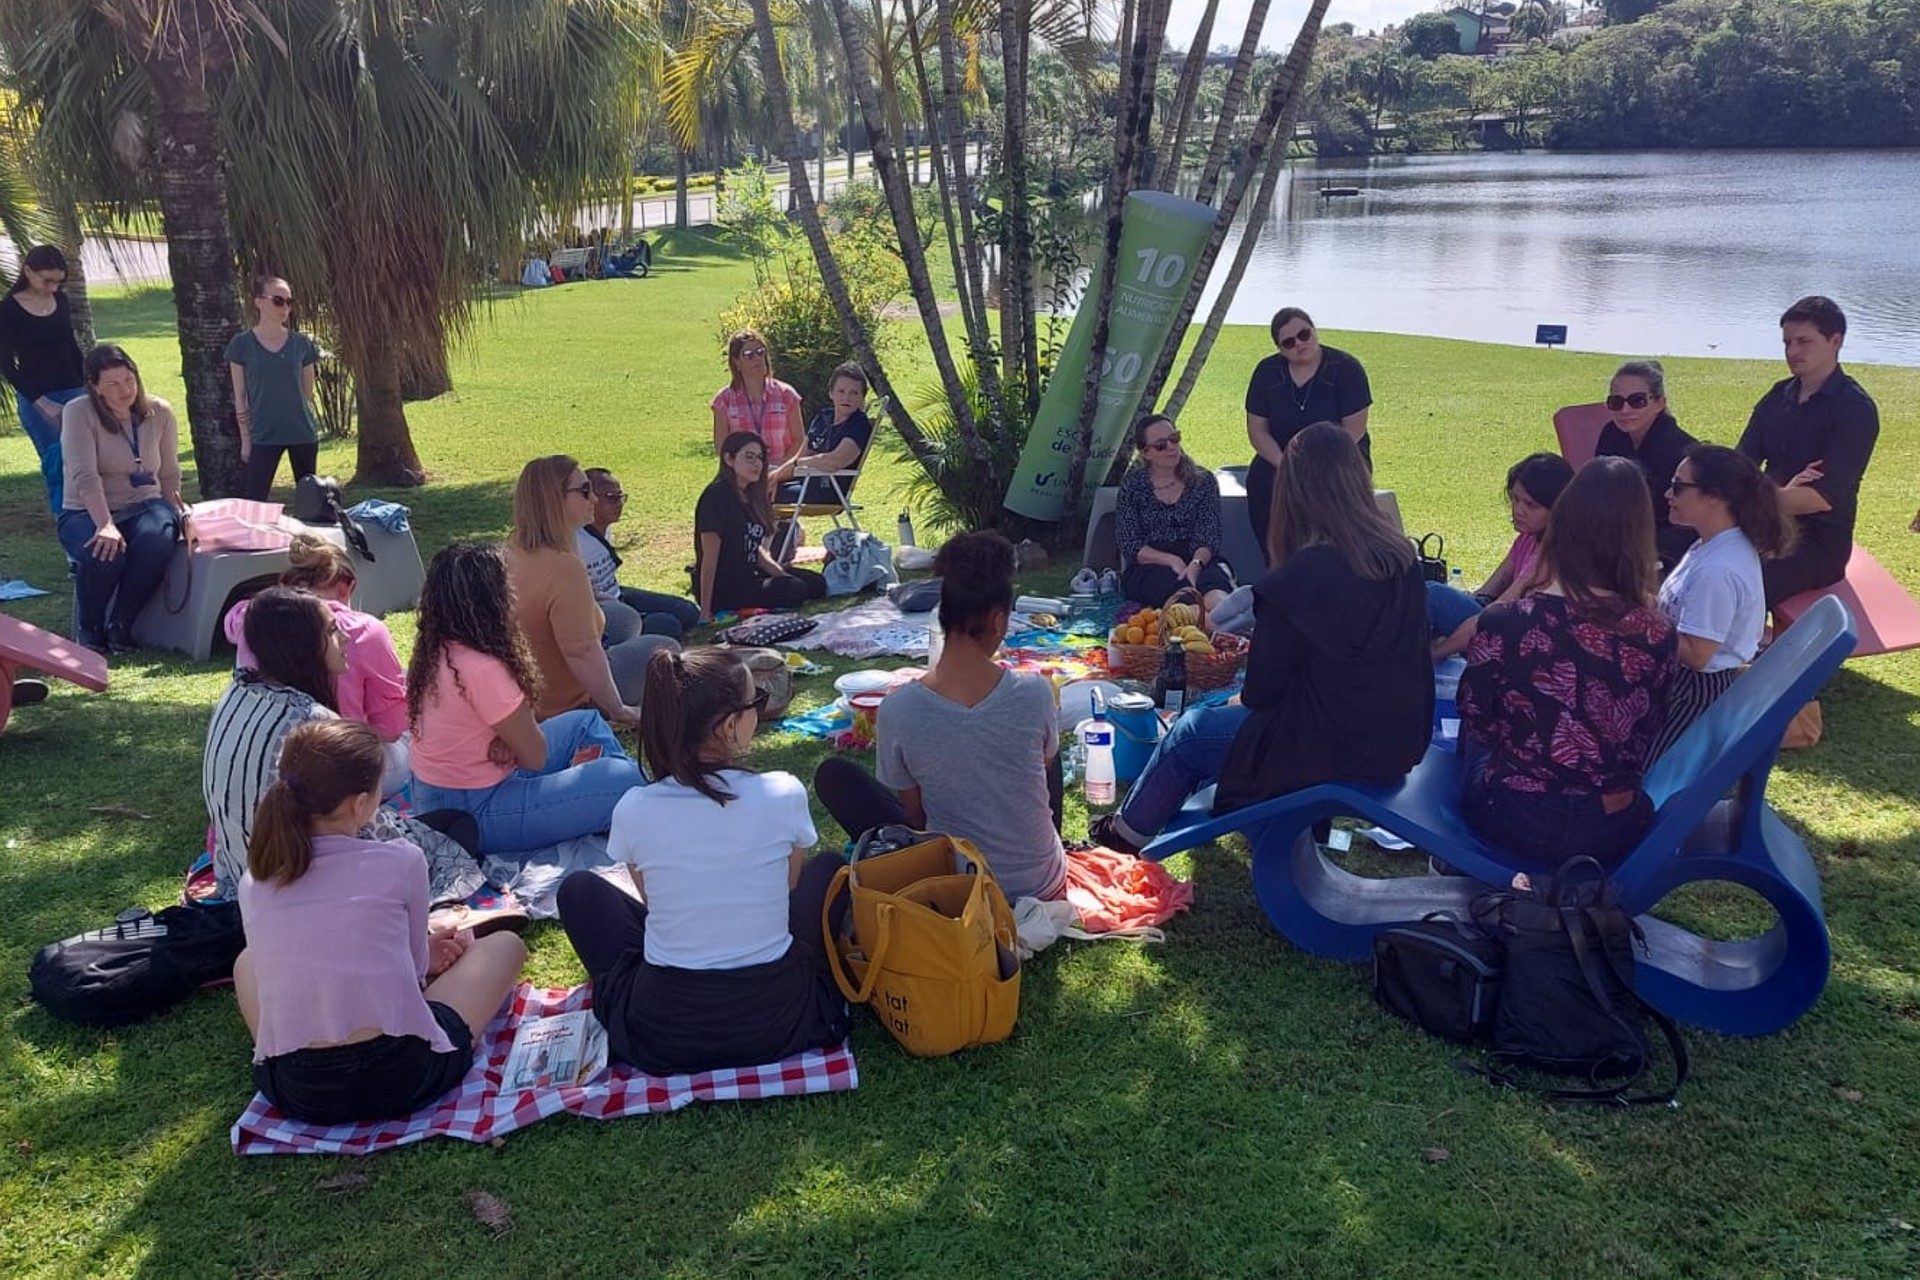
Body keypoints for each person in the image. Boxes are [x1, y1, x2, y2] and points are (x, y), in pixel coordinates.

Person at [1089, 424, 1431, 856]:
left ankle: (1124, 835)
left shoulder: (1298, 579)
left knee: (1192, 731)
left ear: (1295, 491)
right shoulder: (1399, 557)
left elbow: (1261, 692)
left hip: (1329, 742)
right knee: (1217, 721)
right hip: (1398, 736)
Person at [555, 648, 849, 1075]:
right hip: (780, 1018)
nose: (759, 713)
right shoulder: (783, 792)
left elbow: (656, 903)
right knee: (826, 869)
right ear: (730, 725)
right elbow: (786, 888)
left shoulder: (635, 808)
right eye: (757, 703)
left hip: (666, 1031)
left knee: (580, 891)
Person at [232, 719, 526, 1125]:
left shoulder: (256, 881)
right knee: (506, 945)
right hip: (403, 1074)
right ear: (360, 803)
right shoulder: (402, 860)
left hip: (298, 1091)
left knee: (248, 961)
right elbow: (417, 973)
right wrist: (431, 948)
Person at [814, 532, 1067, 902]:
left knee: (835, 776)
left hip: (958, 886)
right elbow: (1040, 775)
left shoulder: (898, 710)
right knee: (1047, 751)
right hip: (1038, 883)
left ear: (941, 615)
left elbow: (916, 817)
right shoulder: (1036, 693)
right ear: (999, 621)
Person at [1458, 457, 1679, 869]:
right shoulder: (1658, 634)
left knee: (1472, 746)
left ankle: (1457, 863)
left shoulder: (1507, 622)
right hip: (1613, 826)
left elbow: (1476, 718)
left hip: (1513, 812)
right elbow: (1648, 728)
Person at [406, 541, 643, 855]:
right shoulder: (482, 667)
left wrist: (509, 740)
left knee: (586, 723)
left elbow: (500, 734)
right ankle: (625, 813)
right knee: (628, 778)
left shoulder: (438, 651)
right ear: (493, 598)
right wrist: (516, 744)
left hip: (441, 795)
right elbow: (535, 757)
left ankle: (614, 813)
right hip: (470, 813)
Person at [1647, 445, 1792, 759]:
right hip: (1684, 681)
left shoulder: (1718, 570)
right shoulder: (1712, 544)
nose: (1668, 494)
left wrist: (1643, 618)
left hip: (1693, 692)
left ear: (1715, 496)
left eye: (1678, 486)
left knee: (1635, 775)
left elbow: (1698, 655)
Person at [1736, 296, 1880, 609]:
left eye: (1804, 341)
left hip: (1817, 543)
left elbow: (1819, 498)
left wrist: (1747, 500)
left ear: (1835, 341)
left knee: (1744, 583)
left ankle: (1734, 655)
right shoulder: (1778, 395)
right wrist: (1774, 495)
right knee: (1688, 556)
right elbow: (1740, 466)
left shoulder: (1854, 410)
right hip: (1765, 525)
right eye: (1787, 342)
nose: (1792, 352)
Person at [507, 455, 677, 721]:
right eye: (585, 491)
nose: (594, 500)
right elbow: (581, 651)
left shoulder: (514, 547)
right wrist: (618, 709)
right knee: (666, 646)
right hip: (571, 700)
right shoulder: (564, 567)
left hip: (532, 687)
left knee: (624, 617)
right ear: (553, 499)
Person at [203, 587, 346, 898]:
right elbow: (354, 825)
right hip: (289, 895)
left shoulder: (236, 691)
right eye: (333, 630)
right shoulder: (313, 722)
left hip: (235, 876)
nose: (345, 638)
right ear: (302, 645)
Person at [58, 345, 188, 655]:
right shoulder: (78, 412)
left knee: (159, 537)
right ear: (95, 387)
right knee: (106, 551)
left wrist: (181, 512)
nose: (125, 390)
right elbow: (85, 476)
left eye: (129, 380)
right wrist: (105, 524)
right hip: (85, 509)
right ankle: (89, 628)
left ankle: (121, 624)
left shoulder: (160, 411)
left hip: (145, 503)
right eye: (113, 384)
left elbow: (169, 473)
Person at [1242, 307, 1372, 566]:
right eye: (1289, 343)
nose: (1300, 344)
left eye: (1304, 334)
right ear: (1280, 349)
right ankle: (1276, 566)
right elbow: (1257, 431)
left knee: (1333, 509)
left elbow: (1354, 430)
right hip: (1281, 459)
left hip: (1339, 458)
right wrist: (1286, 466)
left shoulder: (1346, 368)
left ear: (1315, 330)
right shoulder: (1267, 373)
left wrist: (1316, 470)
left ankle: (1342, 570)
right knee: (1260, 480)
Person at [1427, 452, 1575, 660]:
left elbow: (1493, 614)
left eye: (1531, 505)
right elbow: (1486, 593)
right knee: (1428, 593)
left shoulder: (1551, 555)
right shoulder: (1527, 537)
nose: (1518, 510)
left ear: (1557, 508)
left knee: (1434, 596)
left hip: (1528, 645)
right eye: (1515, 499)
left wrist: (1436, 654)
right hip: (1505, 626)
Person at [693, 432, 828, 621]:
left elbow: (755, 550)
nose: (757, 464)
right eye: (749, 457)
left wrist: (782, 574)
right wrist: (705, 610)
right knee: (795, 590)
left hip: (750, 574)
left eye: (760, 458)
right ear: (729, 459)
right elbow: (709, 557)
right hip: (726, 586)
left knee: (816, 584)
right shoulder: (717, 496)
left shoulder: (750, 495)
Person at [1115, 413, 1233, 612]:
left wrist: (1195, 565)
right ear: (1146, 453)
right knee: (1181, 594)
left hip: (1198, 558)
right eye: (1161, 445)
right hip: (1151, 564)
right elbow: (1130, 544)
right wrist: (1171, 560)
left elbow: (1208, 535)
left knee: (1216, 592)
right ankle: (1207, 626)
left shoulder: (1202, 480)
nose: (1171, 447)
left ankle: (1220, 621)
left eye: (1174, 439)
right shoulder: (1133, 485)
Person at [1592, 359, 1700, 574]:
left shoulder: (1680, 449)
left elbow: (1687, 517)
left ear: (1659, 403)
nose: (1625, 410)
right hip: (1618, 530)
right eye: (1616, 402)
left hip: (1670, 539)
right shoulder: (1611, 434)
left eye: (1637, 401)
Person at [0, 245, 86, 513]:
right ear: (28, 271)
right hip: (38, 398)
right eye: (46, 280)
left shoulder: (60, 300)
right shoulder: (8, 309)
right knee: (56, 464)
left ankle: (97, 519)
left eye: (58, 282)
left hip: (75, 390)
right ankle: (67, 523)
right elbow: (6, 364)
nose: (52, 287)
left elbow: (70, 345)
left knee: (87, 460)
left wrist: (90, 382)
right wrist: (41, 402)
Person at [226, 275, 323, 501]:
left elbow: (306, 392)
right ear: (258, 301)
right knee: (254, 501)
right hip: (263, 435)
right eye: (278, 300)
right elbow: (240, 395)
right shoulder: (241, 345)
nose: (285, 307)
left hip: (303, 433)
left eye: (289, 301)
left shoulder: (301, 344)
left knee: (311, 502)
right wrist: (246, 440)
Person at [578, 468, 700, 640]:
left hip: (617, 593)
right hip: (602, 608)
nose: (619, 504)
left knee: (689, 611)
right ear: (589, 499)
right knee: (668, 625)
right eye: (611, 498)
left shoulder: (605, 528)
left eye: (620, 497)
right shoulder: (577, 541)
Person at [768, 360, 874, 504]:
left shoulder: (859, 424)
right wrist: (775, 477)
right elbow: (799, 458)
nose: (846, 398)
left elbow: (833, 462)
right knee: (757, 484)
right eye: (841, 391)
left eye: (854, 393)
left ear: (862, 397)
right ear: (831, 393)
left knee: (765, 494)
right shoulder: (823, 418)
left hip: (829, 490)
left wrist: (799, 464)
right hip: (804, 481)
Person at [710, 329, 803, 471]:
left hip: (780, 473)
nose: (757, 359)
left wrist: (780, 470)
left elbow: (799, 440)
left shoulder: (787, 395)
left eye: (760, 352)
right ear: (736, 362)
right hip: (740, 476)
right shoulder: (724, 401)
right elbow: (722, 447)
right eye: (749, 355)